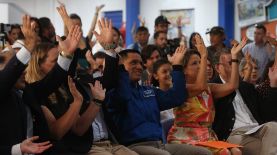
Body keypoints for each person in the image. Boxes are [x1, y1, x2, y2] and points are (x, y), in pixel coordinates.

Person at [93, 18, 212, 155]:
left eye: (140, 63)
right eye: (133, 63)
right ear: (121, 65)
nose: (139, 67)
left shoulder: (148, 91)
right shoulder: (112, 92)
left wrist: (178, 67)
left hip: (160, 144)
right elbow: (124, 96)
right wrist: (118, 66)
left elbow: (177, 97)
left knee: (204, 153)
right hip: (133, 147)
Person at [167, 35, 245, 155]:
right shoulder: (182, 88)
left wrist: (234, 57)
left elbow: (232, 86)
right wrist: (203, 55)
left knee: (236, 151)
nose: (200, 66)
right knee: (225, 153)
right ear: (184, 70)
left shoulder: (209, 88)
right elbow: (200, 86)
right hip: (184, 138)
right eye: (194, 63)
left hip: (207, 137)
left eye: (200, 62)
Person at [0, 15, 66, 155]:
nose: (24, 70)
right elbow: (7, 77)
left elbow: (54, 79)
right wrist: (29, 47)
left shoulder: (26, 91)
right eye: (17, 66)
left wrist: (67, 55)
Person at [211, 44, 277, 155]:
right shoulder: (213, 88)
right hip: (234, 134)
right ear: (218, 68)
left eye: (237, 62)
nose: (236, 66)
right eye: (231, 62)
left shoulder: (246, 87)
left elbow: (268, 115)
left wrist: (274, 85)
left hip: (257, 129)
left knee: (274, 126)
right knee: (269, 146)